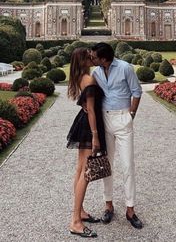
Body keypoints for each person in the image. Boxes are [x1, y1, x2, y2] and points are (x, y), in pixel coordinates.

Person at [90, 42, 143, 229]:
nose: (92, 58)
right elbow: (91, 96)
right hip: (105, 120)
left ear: (104, 58)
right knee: (107, 165)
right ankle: (109, 205)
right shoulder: (95, 72)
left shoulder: (125, 68)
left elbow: (137, 91)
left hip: (123, 118)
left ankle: (130, 209)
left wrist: (131, 115)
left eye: (94, 56)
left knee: (128, 165)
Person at [67, 47, 106, 238]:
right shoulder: (89, 79)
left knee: (80, 169)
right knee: (86, 172)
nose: (93, 58)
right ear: (84, 61)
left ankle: (80, 211)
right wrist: (96, 135)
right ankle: (75, 221)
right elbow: (91, 110)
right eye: (89, 56)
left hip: (82, 124)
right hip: (90, 126)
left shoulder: (80, 78)